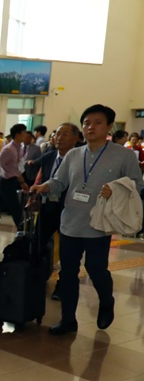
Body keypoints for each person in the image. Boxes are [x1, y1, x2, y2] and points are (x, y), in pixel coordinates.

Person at [31, 104, 144, 335]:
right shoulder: (74, 154)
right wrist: (44, 186)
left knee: (96, 268)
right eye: (87, 123)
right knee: (67, 273)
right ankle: (68, 319)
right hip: (70, 222)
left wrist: (116, 190)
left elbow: (136, 185)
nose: (90, 127)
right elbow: (59, 182)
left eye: (97, 123)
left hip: (99, 224)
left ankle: (106, 301)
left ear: (110, 126)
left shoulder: (123, 155)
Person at [30, 123, 80, 301]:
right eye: (57, 134)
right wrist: (34, 197)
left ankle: (62, 285)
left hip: (70, 210)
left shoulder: (80, 159)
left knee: (68, 251)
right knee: (38, 244)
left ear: (76, 138)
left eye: (65, 134)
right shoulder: (49, 156)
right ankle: (36, 278)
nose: (59, 138)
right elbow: (42, 178)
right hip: (47, 207)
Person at [0, 123, 30, 228]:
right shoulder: (8, 149)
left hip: (13, 180)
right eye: (24, 133)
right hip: (6, 181)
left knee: (12, 205)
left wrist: (22, 182)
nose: (26, 135)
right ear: (17, 135)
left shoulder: (19, 148)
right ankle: (21, 228)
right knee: (14, 206)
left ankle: (21, 227)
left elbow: (17, 168)